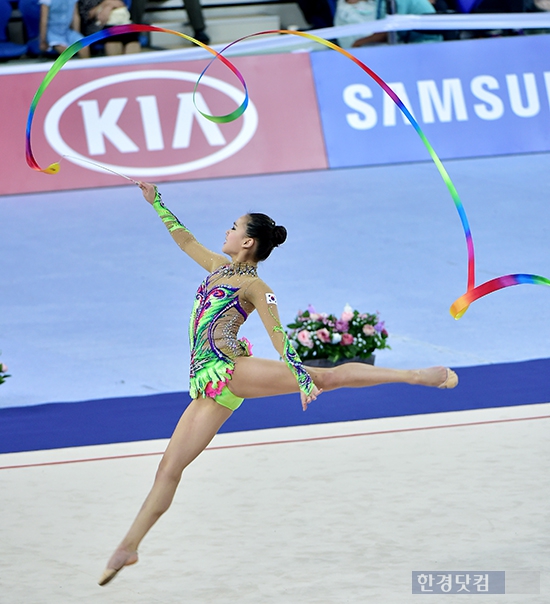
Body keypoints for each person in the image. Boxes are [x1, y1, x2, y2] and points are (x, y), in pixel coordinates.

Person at [98, 181, 458, 586]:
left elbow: (277, 335)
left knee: (325, 376)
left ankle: (416, 376)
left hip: (230, 365)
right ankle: (129, 545)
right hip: (209, 383)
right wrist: (157, 202)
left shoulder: (255, 288)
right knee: (169, 468)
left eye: (234, 227)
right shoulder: (218, 267)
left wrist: (301, 377)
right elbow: (184, 241)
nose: (228, 231)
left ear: (248, 242)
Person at [335, 0, 443, 47]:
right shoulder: (379, 2)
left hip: (426, 44)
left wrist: (358, 43)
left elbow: (388, 32)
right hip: (407, 43)